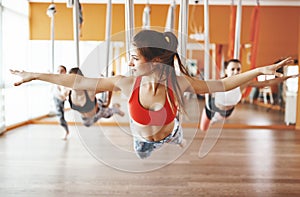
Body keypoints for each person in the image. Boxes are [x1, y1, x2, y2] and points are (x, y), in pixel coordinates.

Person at [10, 29, 294, 159]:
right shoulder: (123, 83)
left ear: (155, 60)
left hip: (169, 132)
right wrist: (34, 74)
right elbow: (75, 81)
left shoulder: (180, 83)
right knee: (143, 153)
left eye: (134, 57)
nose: (130, 62)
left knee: (176, 136)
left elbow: (223, 85)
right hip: (140, 142)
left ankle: (176, 139)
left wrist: (259, 70)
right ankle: (164, 142)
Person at [200, 59, 298, 132]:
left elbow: (267, 82)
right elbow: (202, 89)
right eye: (232, 69)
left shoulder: (244, 83)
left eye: (238, 69)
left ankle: (215, 119)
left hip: (227, 112)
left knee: (221, 117)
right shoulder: (219, 82)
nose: (235, 72)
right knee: (203, 129)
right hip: (211, 108)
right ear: (226, 71)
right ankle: (213, 118)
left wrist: (287, 77)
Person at [52, 65, 70, 140]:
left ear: (65, 72)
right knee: (60, 117)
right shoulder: (55, 79)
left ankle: (66, 131)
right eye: (58, 71)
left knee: (60, 117)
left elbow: (66, 92)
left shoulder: (66, 81)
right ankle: (66, 131)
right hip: (55, 98)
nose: (59, 72)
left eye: (61, 71)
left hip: (61, 99)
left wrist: (66, 96)